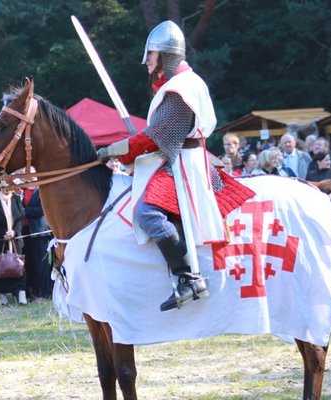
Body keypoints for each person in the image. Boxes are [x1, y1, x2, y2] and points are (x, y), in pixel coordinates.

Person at [96, 20, 255, 312]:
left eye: (151, 55)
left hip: (183, 162)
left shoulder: (182, 88)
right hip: (176, 157)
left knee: (147, 212)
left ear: (166, 55)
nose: (146, 62)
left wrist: (114, 150)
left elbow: (155, 137)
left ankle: (188, 278)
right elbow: (158, 136)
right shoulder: (177, 85)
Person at [23, 185, 52, 300]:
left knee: (41, 265)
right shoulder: (21, 191)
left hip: (40, 232)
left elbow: (43, 209)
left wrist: (24, 211)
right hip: (25, 232)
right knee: (30, 264)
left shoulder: (42, 189)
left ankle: (44, 293)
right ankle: (32, 293)